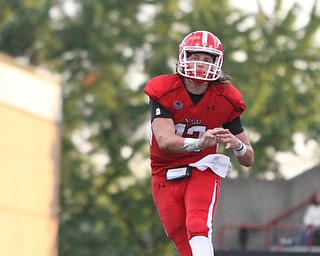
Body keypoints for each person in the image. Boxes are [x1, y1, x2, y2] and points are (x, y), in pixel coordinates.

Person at [144, 30, 254, 256]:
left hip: (203, 167)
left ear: (217, 63)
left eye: (207, 60)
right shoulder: (164, 90)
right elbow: (164, 141)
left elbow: (248, 158)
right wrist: (198, 142)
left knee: (198, 226)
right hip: (165, 171)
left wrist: (237, 145)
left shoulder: (225, 98)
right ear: (183, 57)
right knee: (182, 239)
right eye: (195, 57)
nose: (200, 64)